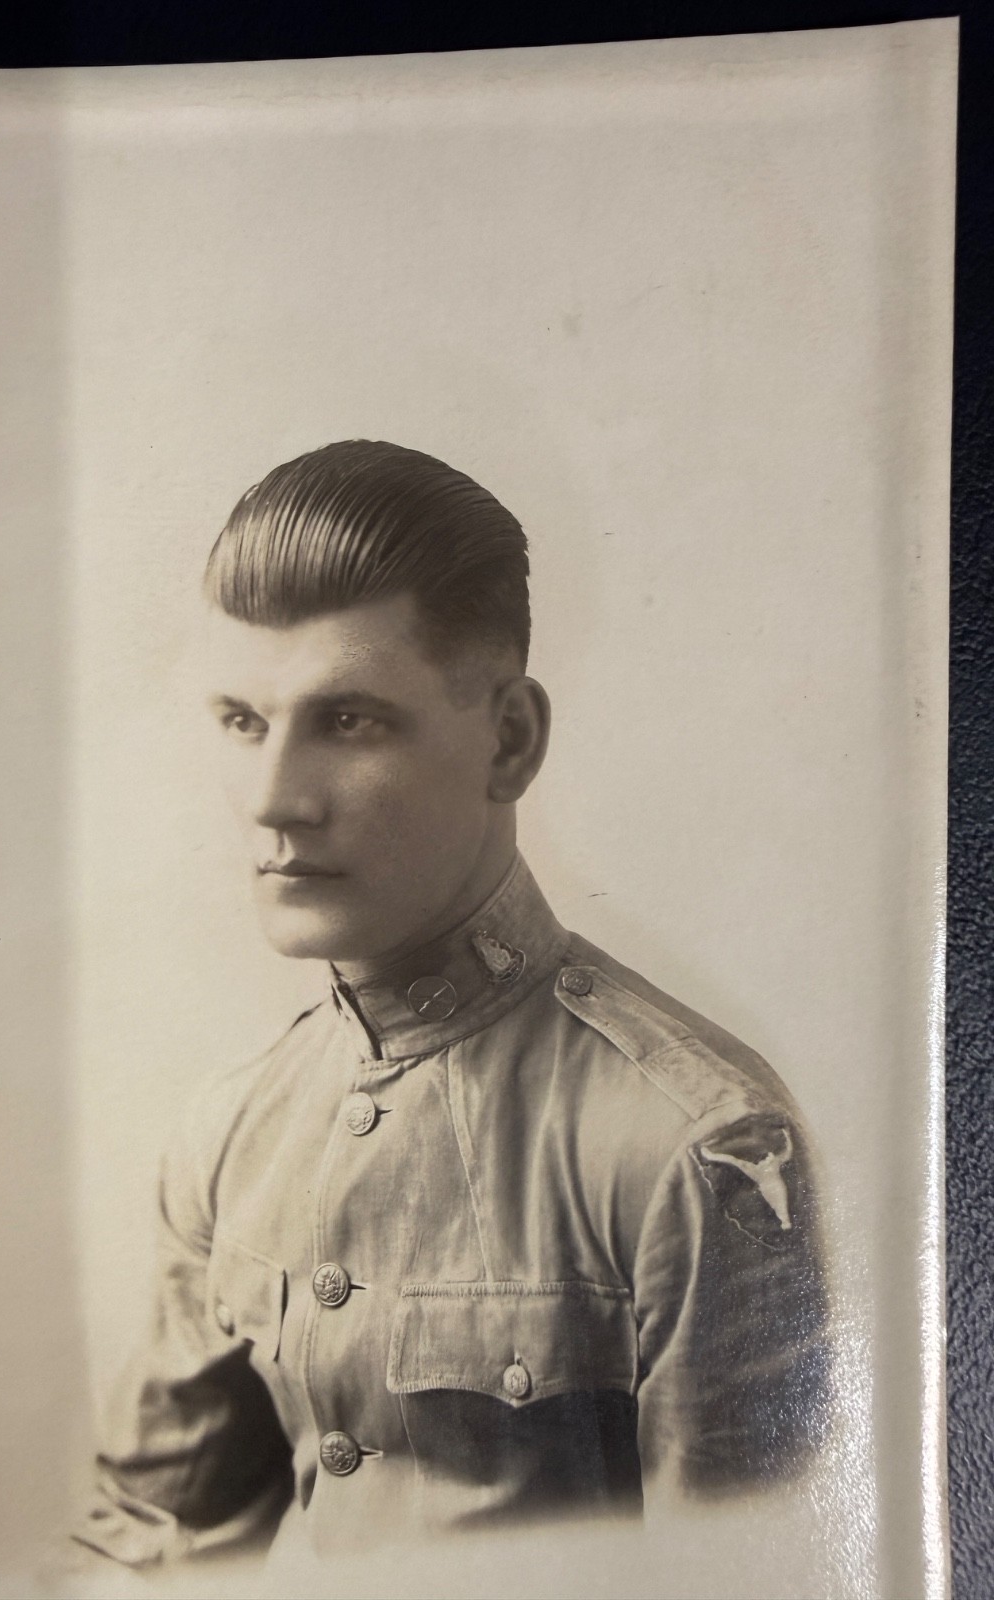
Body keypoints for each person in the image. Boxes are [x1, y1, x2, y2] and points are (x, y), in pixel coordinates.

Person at [68, 439, 831, 1574]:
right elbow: (152, 1549)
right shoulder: (234, 1131)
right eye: (241, 720)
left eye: (350, 720)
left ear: (509, 739)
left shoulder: (693, 1145)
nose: (276, 799)